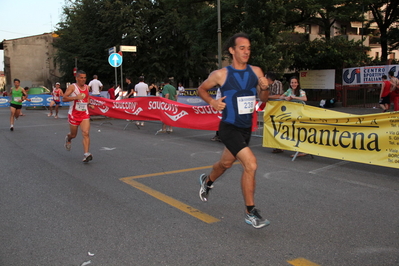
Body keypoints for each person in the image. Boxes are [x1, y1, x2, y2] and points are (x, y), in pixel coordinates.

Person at [197, 33, 270, 229]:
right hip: (229, 127)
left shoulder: (256, 71)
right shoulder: (221, 74)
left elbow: (264, 98)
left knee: (226, 164)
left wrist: (264, 88)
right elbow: (201, 89)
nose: (246, 51)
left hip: (246, 128)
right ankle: (250, 212)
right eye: (242, 48)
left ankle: (207, 180)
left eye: (248, 48)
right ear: (232, 50)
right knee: (251, 165)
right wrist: (212, 101)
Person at [63, 70, 95, 163]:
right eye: (81, 77)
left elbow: (87, 97)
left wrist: (89, 104)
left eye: (84, 77)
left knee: (86, 133)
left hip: (84, 113)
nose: (83, 79)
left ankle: (86, 154)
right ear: (77, 78)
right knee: (73, 135)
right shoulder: (72, 87)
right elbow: (64, 98)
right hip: (74, 114)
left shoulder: (87, 87)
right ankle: (68, 139)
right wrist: (75, 97)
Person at [279, 76, 308, 158]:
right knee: (293, 132)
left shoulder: (301, 91)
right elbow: (281, 97)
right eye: (292, 82)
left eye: (295, 82)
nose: (293, 84)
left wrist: (294, 97)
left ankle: (302, 150)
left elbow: (304, 98)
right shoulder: (289, 91)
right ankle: (296, 149)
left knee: (300, 132)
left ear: (298, 83)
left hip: (300, 114)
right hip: (292, 114)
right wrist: (286, 97)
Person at [265, 72, 284, 153]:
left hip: (279, 107)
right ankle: (276, 144)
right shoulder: (267, 85)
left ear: (269, 79)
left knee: (279, 126)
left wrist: (267, 97)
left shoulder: (277, 83)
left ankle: (280, 145)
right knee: (273, 126)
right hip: (272, 108)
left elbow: (278, 95)